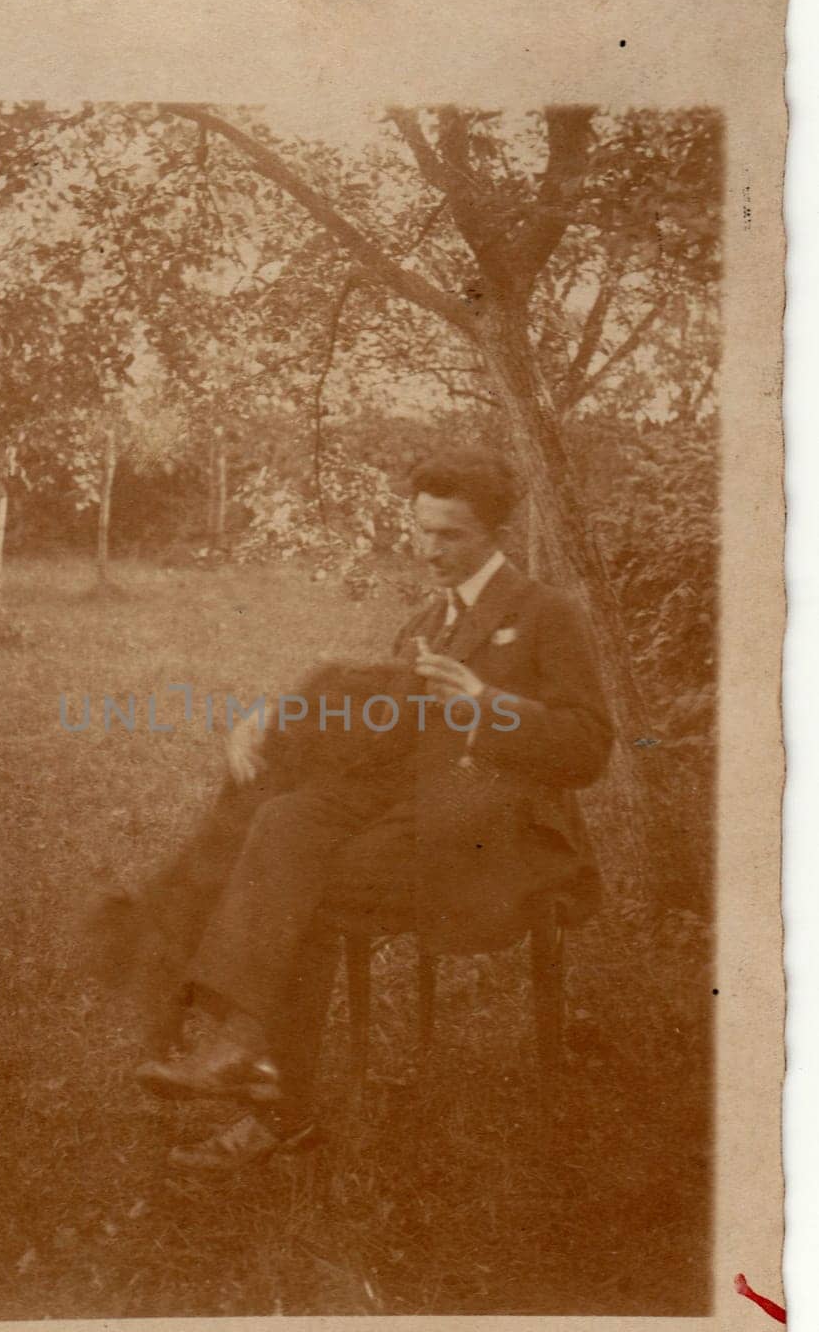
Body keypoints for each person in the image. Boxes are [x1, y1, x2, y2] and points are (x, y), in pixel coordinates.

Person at [131, 447, 614, 1171]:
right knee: (284, 821)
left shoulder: (545, 614)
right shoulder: (426, 617)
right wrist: (273, 717)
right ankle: (242, 1049)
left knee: (308, 884)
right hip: (415, 812)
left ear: (494, 533)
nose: (428, 550)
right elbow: (383, 739)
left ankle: (265, 1092)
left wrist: (487, 706)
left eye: (450, 535)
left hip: (502, 836)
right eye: (420, 530)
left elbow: (589, 748)